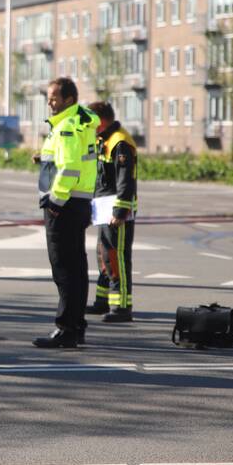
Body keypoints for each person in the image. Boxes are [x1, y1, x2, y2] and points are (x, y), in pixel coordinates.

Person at [33, 78, 99, 349]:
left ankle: (66, 329)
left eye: (54, 98)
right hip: (78, 204)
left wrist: (55, 203)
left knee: (64, 270)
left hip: (66, 206)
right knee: (77, 268)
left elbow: (70, 168)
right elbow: (68, 162)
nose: (50, 102)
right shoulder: (77, 123)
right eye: (49, 98)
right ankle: (76, 325)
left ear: (69, 100)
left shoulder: (67, 127)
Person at [85, 101, 138, 323]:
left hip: (117, 208)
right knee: (104, 254)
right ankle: (103, 301)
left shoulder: (120, 142)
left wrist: (120, 210)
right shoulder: (103, 138)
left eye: (90, 119)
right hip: (103, 206)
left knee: (118, 256)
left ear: (101, 119)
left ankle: (122, 307)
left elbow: (125, 179)